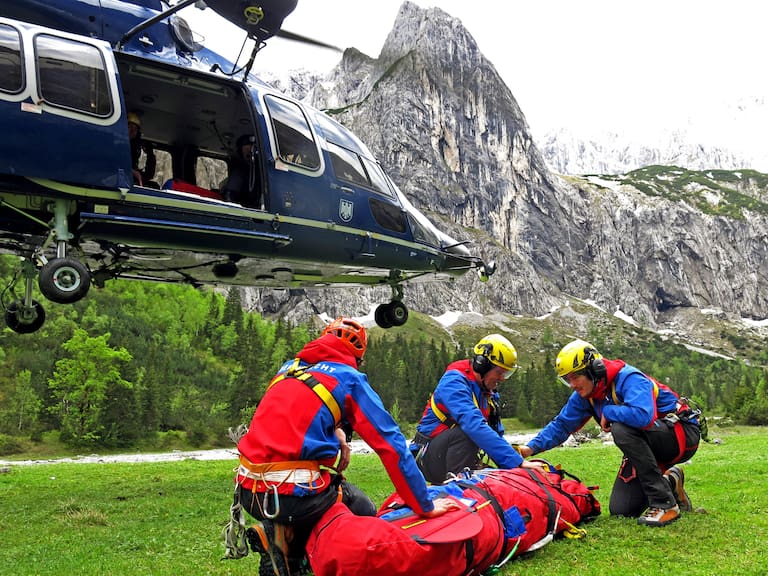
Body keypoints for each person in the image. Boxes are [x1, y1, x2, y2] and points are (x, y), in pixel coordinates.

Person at [231, 317, 457, 576]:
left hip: (249, 490)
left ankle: (283, 539)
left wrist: (337, 432)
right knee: (360, 507)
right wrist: (424, 505)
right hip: (291, 497)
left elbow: (295, 419)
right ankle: (292, 547)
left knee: (321, 490)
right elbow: (392, 446)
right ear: (357, 358)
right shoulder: (350, 378)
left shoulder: (288, 369)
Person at [518, 339, 702, 527]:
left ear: (593, 370)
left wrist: (609, 411)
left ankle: (664, 504)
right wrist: (529, 449)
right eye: (567, 379)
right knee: (622, 509)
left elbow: (643, 416)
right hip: (650, 442)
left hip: (681, 436)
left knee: (621, 428)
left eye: (575, 377)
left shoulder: (629, 378)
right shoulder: (585, 395)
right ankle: (670, 481)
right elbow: (562, 425)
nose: (572, 384)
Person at [411, 334, 543, 483]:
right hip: (427, 456)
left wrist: (516, 467)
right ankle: (457, 484)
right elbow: (474, 425)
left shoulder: (488, 393)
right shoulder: (454, 383)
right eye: (500, 372)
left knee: (501, 479)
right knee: (467, 433)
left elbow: (495, 434)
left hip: (452, 454)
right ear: (482, 365)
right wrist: (518, 463)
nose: (503, 378)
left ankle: (467, 480)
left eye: (507, 373)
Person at [221, 134, 261, 207]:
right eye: (246, 150)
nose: (250, 153)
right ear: (240, 152)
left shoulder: (261, 169)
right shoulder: (239, 170)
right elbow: (230, 195)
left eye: (252, 150)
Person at [127, 112, 157, 187]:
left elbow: (149, 175)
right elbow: (113, 164)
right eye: (130, 127)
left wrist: (150, 153)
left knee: (154, 186)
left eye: (135, 129)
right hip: (118, 177)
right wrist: (132, 172)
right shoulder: (116, 143)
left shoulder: (135, 146)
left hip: (131, 177)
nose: (132, 131)